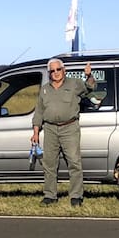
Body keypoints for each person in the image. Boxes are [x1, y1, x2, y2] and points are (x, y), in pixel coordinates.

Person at [31, 58, 95, 206]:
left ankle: (76, 196)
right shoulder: (45, 89)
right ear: (49, 73)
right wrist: (35, 132)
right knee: (49, 164)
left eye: (58, 69)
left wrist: (89, 75)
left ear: (63, 70)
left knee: (74, 162)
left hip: (69, 127)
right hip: (50, 129)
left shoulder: (74, 84)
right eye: (52, 71)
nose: (56, 73)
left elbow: (89, 87)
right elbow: (39, 112)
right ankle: (50, 195)